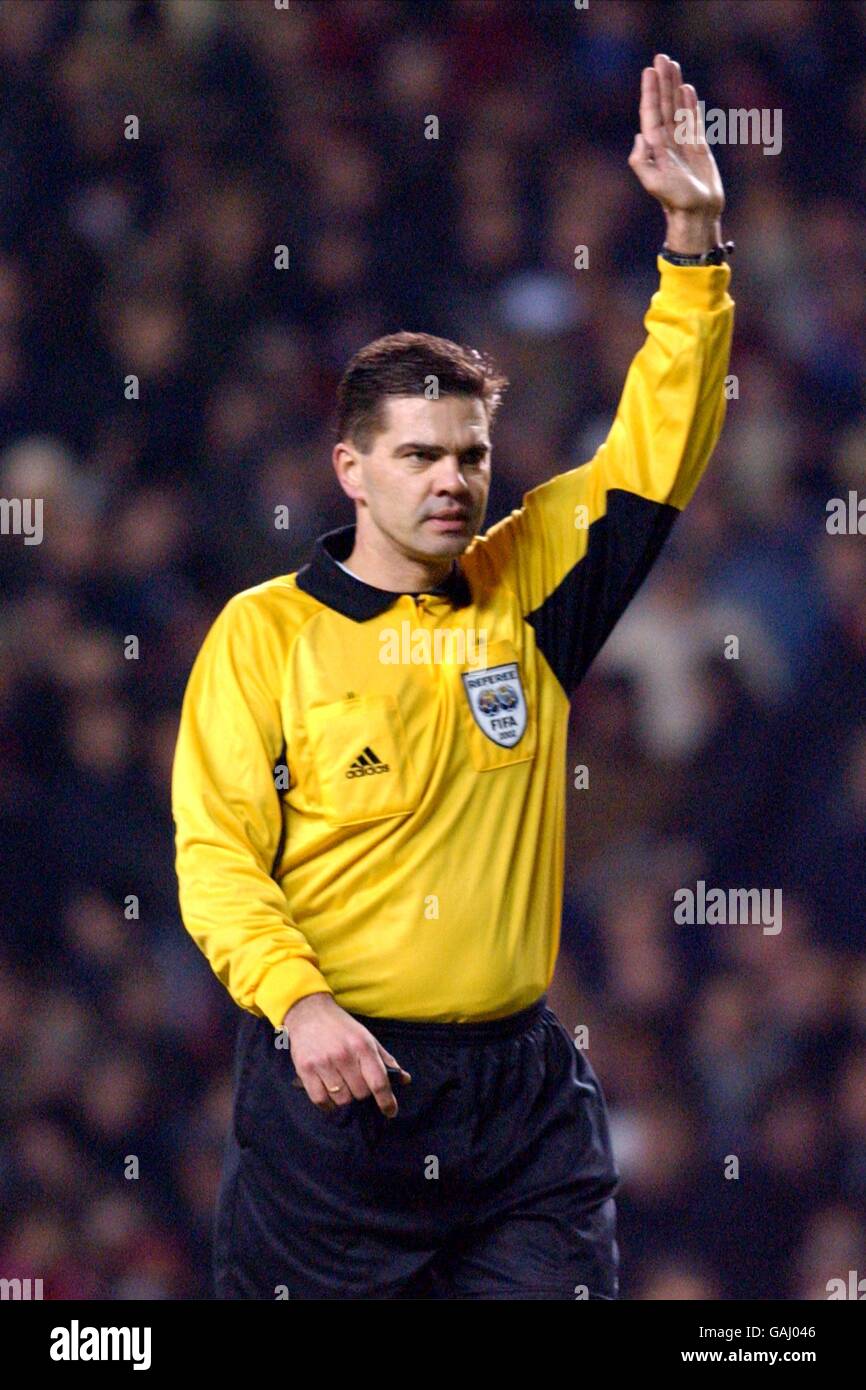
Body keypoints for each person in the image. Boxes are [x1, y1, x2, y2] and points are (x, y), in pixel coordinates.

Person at [171, 53, 734, 1300]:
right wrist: (297, 1001)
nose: (450, 479)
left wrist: (692, 240)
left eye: (469, 454)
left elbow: (655, 447)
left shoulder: (528, 586)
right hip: (337, 1104)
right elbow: (215, 857)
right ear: (349, 469)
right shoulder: (262, 637)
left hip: (518, 1105)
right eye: (417, 453)